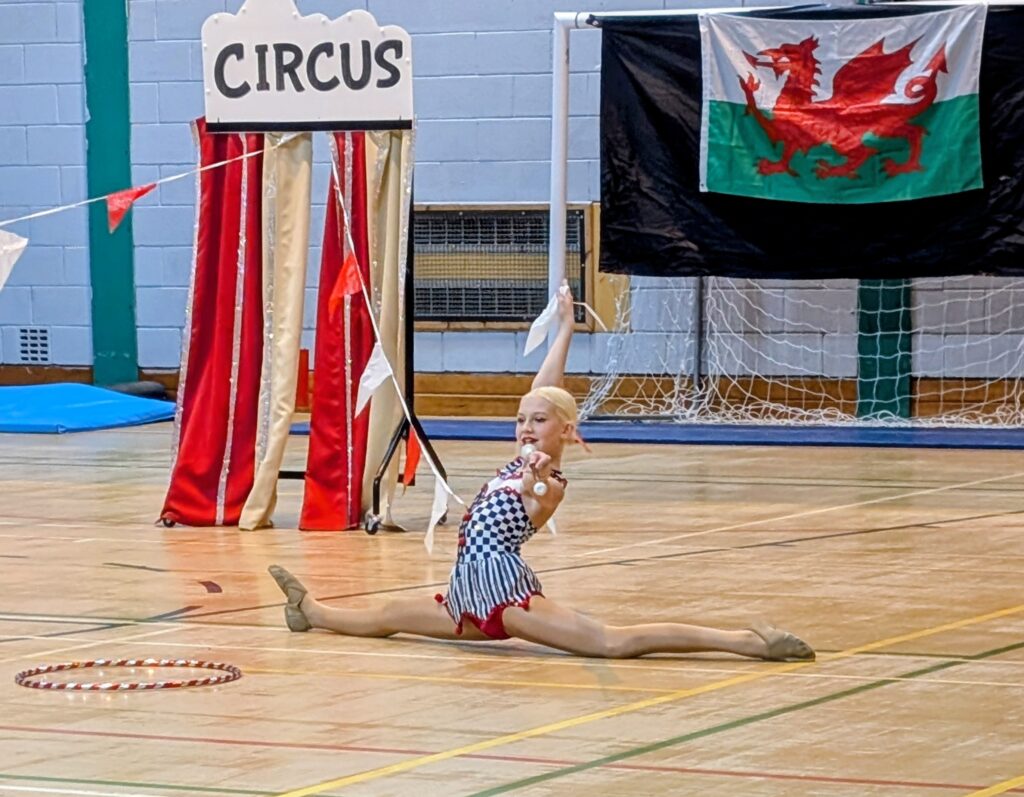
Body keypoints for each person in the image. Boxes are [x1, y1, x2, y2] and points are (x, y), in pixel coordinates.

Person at [268, 283, 814, 661]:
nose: (526, 427)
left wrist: (534, 476)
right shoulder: (521, 452)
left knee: (611, 642)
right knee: (388, 614)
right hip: (465, 598)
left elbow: (536, 499)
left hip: (506, 600)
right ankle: (310, 611)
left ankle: (748, 642)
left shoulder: (547, 483)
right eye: (521, 420)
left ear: (565, 433)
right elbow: (544, 390)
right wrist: (566, 330)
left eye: (538, 422)